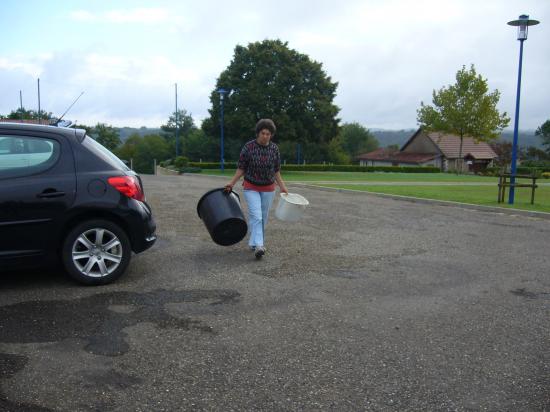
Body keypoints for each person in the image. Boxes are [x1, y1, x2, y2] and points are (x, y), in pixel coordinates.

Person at [224, 119, 288, 259]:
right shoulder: (248, 147)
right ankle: (259, 245)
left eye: (268, 134)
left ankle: (253, 243)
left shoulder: (274, 149)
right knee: (256, 215)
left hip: (269, 188)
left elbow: (276, 170)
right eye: (263, 133)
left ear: (271, 135)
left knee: (262, 217)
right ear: (258, 133)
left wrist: (282, 186)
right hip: (251, 186)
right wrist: (231, 183)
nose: (265, 136)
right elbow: (241, 168)